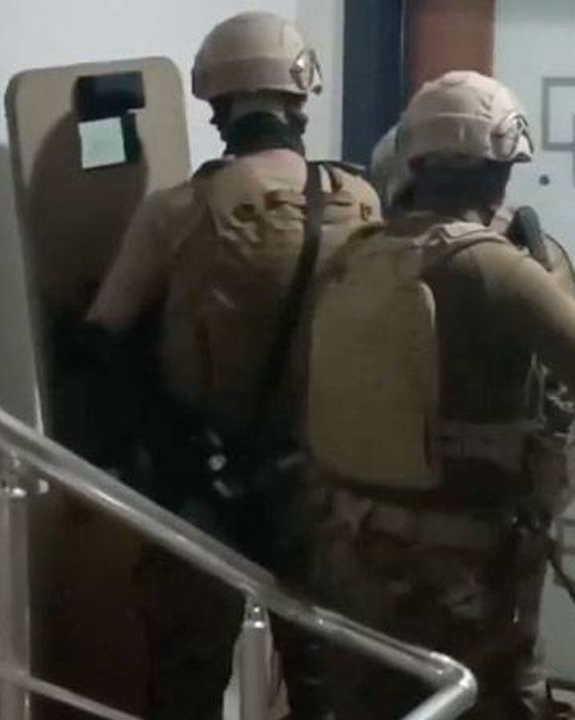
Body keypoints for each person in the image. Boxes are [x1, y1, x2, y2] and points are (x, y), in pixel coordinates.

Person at [303, 70, 575, 719]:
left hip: (355, 546)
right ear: (500, 173)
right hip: (461, 566)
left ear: (414, 162)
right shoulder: (493, 265)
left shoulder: (352, 254)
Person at [81, 11, 381, 719]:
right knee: (325, 682)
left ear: (217, 101)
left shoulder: (177, 210)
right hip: (322, 480)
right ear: (300, 96)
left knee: (185, 684)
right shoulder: (361, 201)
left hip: (201, 481)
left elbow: (103, 336)